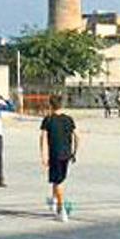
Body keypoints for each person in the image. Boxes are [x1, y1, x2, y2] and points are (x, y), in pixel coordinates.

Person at [39, 94, 78, 222]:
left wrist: (44, 156)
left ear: (50, 105)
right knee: (57, 180)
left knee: (58, 182)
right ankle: (54, 201)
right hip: (66, 154)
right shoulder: (69, 119)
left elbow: (43, 139)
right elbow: (77, 136)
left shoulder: (48, 120)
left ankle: (62, 211)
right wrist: (74, 152)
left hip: (55, 154)